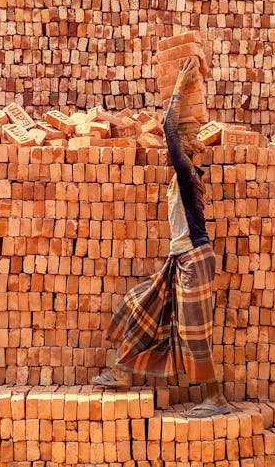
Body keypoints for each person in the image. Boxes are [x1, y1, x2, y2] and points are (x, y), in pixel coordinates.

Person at [92, 57, 230, 418]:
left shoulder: (186, 172)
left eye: (180, 141)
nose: (173, 146)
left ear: (185, 145)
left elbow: (168, 128)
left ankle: (215, 398)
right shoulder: (185, 175)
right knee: (143, 303)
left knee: (191, 333)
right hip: (180, 258)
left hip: (195, 260)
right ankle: (122, 372)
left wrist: (180, 89)